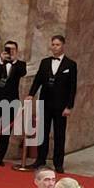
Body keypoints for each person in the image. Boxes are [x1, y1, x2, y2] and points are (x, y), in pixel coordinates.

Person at [29, 34, 78, 173]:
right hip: (45, 102)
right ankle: (40, 159)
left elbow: (72, 87)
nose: (55, 47)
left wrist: (69, 106)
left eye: (58, 44)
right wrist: (31, 94)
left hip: (61, 105)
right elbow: (37, 80)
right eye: (53, 44)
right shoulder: (45, 62)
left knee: (59, 134)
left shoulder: (70, 64)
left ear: (63, 46)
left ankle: (58, 163)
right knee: (42, 132)